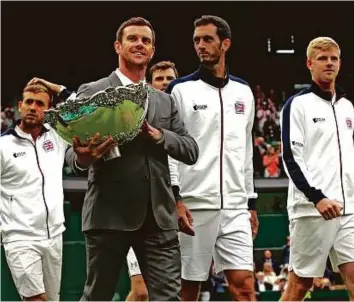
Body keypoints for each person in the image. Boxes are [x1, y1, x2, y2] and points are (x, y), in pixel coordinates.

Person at [49, 16, 198, 301]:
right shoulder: (92, 91)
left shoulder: (164, 101)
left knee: (169, 298)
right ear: (118, 46)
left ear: (152, 51)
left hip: (158, 217)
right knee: (98, 296)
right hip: (109, 215)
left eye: (146, 40)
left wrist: (157, 135)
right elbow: (71, 155)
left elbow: (190, 150)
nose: (139, 44)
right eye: (133, 39)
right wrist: (84, 157)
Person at [166, 15, 259, 301]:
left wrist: (250, 202)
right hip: (194, 205)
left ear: (225, 43)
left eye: (208, 39)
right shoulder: (180, 90)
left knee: (244, 286)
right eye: (196, 40)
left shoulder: (244, 91)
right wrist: (176, 199)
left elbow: (245, 150)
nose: (201, 46)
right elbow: (168, 148)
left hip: (235, 207)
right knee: (188, 290)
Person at [280, 37, 354, 301]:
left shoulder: (347, 107)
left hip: (348, 209)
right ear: (310, 63)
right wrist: (317, 197)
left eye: (334, 58)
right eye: (323, 58)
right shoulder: (297, 105)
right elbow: (290, 157)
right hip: (312, 208)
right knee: (299, 285)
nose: (329, 63)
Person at [0, 83, 72, 301]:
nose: (33, 107)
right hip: (19, 236)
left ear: (48, 110)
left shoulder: (57, 138)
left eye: (40, 103)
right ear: (20, 106)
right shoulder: (2, 145)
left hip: (55, 235)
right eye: (28, 102)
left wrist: (57, 88)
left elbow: (81, 108)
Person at [125, 60, 179, 302]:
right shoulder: (137, 114)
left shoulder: (181, 121)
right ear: (149, 84)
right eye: (160, 79)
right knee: (140, 291)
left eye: (170, 78)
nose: (165, 83)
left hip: (175, 211)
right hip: (142, 212)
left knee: (176, 288)